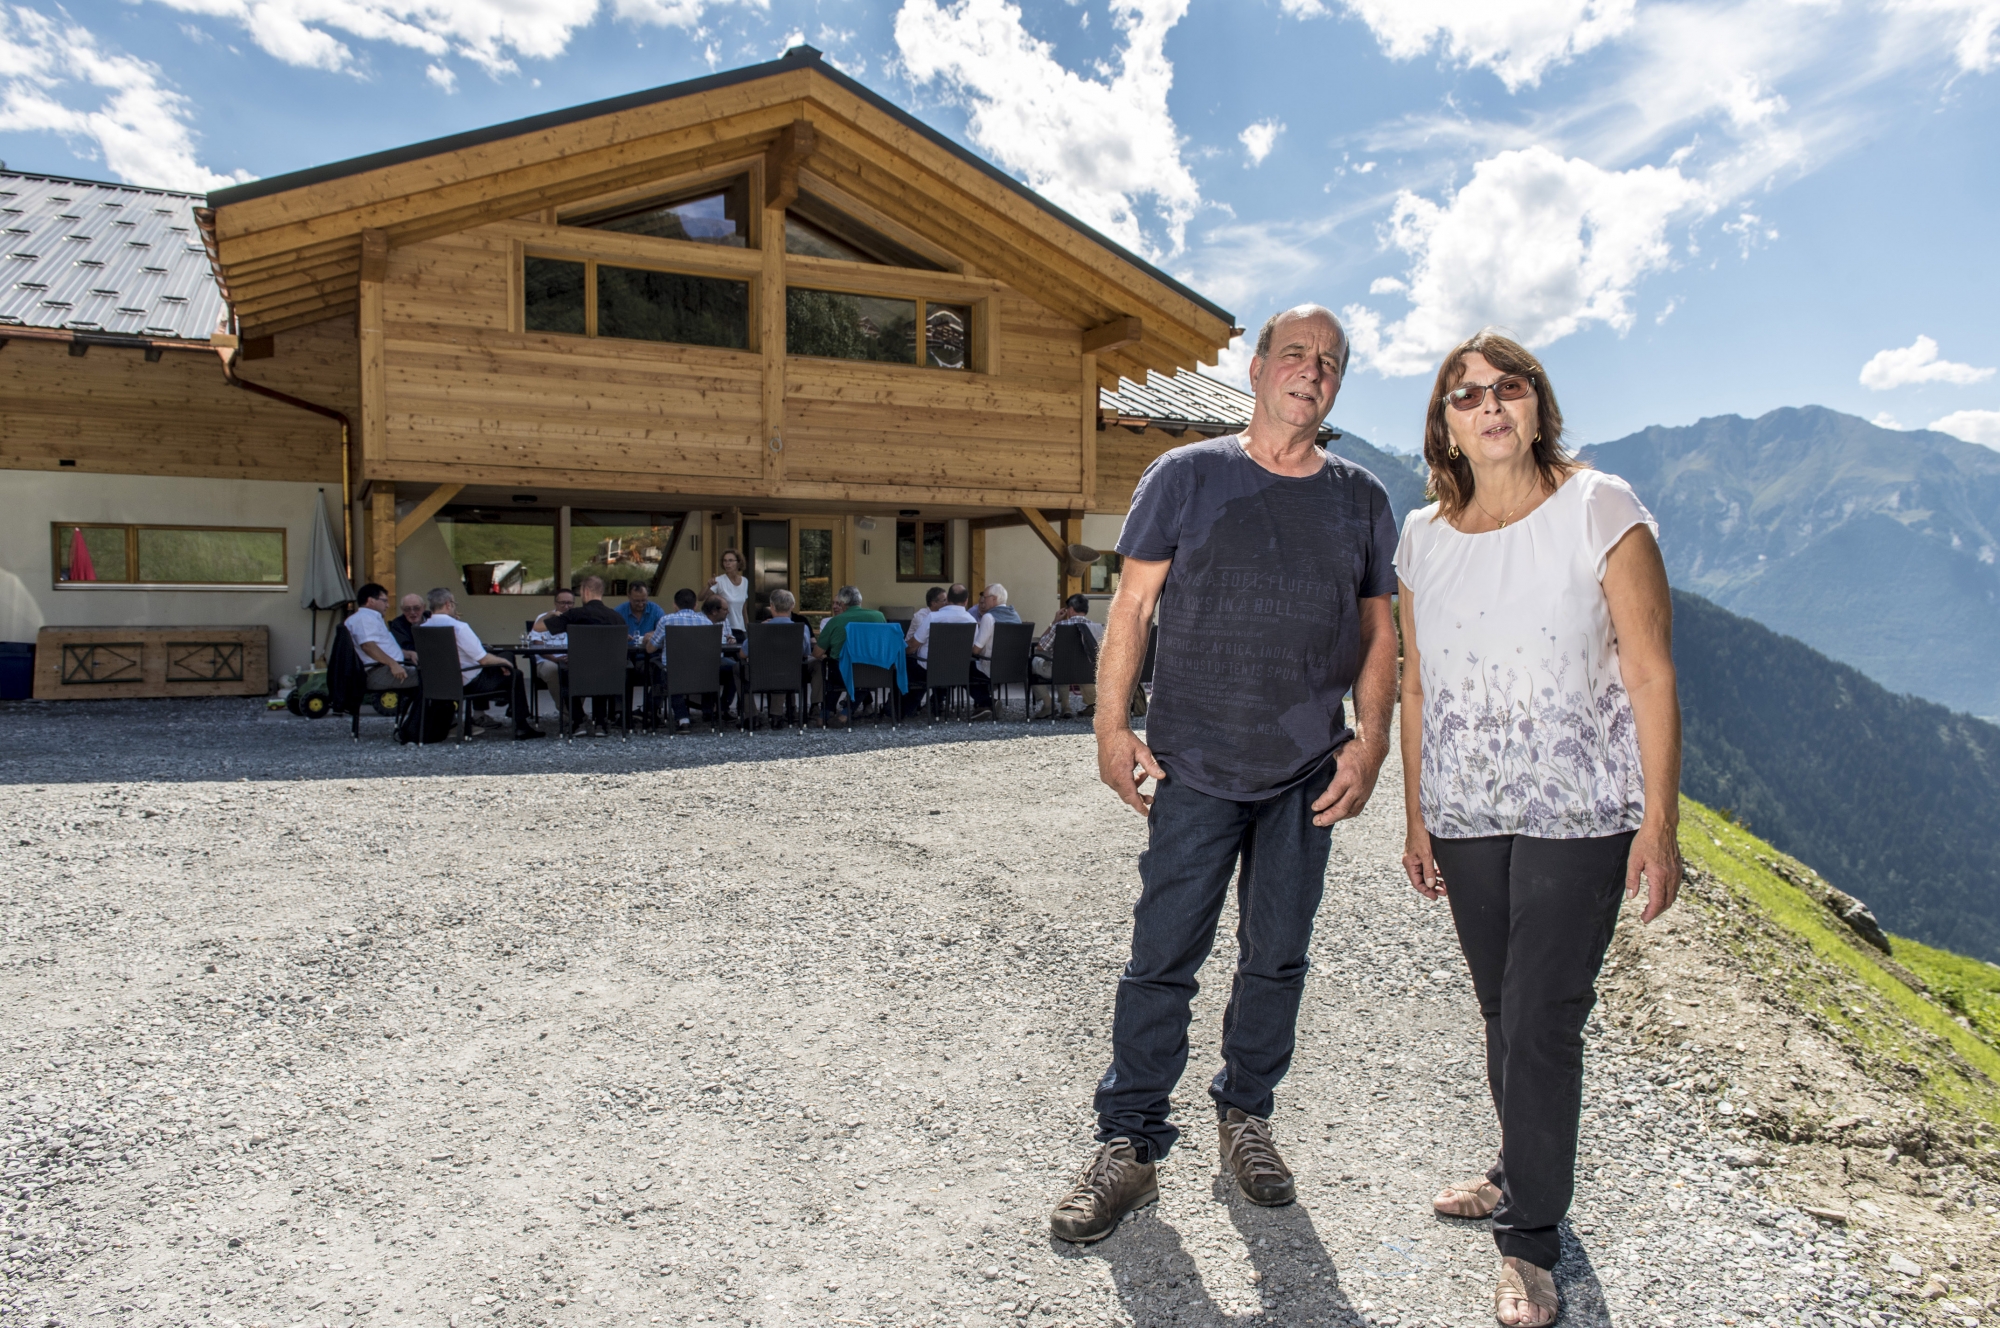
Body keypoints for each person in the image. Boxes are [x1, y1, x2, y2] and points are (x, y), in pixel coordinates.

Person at [1049, 305, 1399, 1245]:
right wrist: (1110, 724)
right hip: (1194, 763)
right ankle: (1130, 1144)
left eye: (1329, 361)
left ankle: (1246, 1117)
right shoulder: (1186, 474)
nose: (1311, 370)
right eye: (1295, 353)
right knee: (1162, 958)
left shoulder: (1361, 496)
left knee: (1276, 956)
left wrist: (1371, 743)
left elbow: (1380, 634)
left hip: (1306, 769)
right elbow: (1130, 610)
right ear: (1256, 368)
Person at [1395, 330, 1681, 1328]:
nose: (1487, 405)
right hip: (1469, 811)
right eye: (1464, 394)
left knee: (1541, 1015)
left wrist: (1660, 821)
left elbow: (1648, 671)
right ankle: (1516, 1163)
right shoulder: (1419, 537)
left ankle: (1528, 1241)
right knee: (1496, 1009)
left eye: (1504, 388)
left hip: (1579, 810)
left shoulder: (1599, 506)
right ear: (1446, 426)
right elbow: (1416, 684)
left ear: (1534, 403)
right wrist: (1416, 812)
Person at [533, 575, 626, 737]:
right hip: (610, 675)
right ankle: (601, 723)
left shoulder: (575, 615)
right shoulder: (616, 617)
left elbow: (538, 627)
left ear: (585, 592)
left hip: (578, 672)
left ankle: (578, 720)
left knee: (565, 674)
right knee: (600, 673)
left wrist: (551, 614)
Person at [423, 588, 516, 734]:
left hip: (436, 683)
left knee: (496, 666)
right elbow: (483, 659)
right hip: (466, 682)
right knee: (514, 674)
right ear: (448, 604)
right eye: (454, 603)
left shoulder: (423, 628)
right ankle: (521, 726)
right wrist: (505, 663)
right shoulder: (459, 627)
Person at [813, 586, 886, 724]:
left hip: (842, 673)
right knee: (863, 677)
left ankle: (824, 715)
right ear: (860, 601)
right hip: (874, 671)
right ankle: (845, 714)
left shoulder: (836, 621)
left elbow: (817, 653)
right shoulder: (878, 616)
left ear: (842, 603)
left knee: (835, 674)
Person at [909, 583, 982, 717]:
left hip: (928, 669)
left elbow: (914, 644)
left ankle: (902, 709)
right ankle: (936, 702)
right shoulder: (971, 621)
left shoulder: (933, 617)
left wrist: (904, 653)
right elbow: (972, 649)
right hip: (957, 670)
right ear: (966, 601)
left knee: (908, 665)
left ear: (947, 599)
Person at [746, 587, 812, 726]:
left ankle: (752, 715)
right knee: (783, 666)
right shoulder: (802, 628)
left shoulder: (760, 629)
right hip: (792, 674)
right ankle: (777, 715)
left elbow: (742, 654)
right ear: (792, 606)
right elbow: (806, 653)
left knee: (737, 669)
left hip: (762, 674)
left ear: (771, 606)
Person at [650, 587, 714, 730]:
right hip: (703, 675)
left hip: (674, 674)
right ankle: (709, 713)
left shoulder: (666, 620)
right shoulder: (707, 623)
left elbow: (651, 648)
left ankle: (682, 719)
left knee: (665, 671)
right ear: (695, 605)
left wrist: (650, 639)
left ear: (674, 604)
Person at [1032, 594, 1102, 719]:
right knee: (1063, 664)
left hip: (1060, 671)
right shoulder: (1096, 627)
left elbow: (1041, 646)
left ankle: (1048, 704)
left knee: (1034, 662)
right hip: (1085, 672)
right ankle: (1065, 707)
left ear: (1070, 609)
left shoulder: (1060, 626)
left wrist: (1054, 622)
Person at [344, 583, 417, 691]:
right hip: (378, 672)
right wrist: (393, 664)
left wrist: (407, 654)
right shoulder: (364, 618)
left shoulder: (371, 618)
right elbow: (368, 646)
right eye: (384, 601)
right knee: (432, 677)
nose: (387, 605)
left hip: (385, 669)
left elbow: (381, 647)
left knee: (430, 675)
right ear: (371, 601)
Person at [902, 586, 948, 712]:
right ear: (933, 603)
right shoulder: (921, 616)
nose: (947, 602)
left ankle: (936, 701)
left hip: (934, 656)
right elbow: (915, 644)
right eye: (944, 600)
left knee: (946, 665)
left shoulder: (945, 615)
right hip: (913, 654)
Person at [709, 549, 751, 636]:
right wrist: (708, 586)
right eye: (725, 561)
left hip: (740, 628)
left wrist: (748, 627)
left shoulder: (745, 581)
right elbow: (701, 597)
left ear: (738, 562)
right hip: (724, 628)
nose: (727, 563)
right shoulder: (719, 580)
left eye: (731, 560)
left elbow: (743, 608)